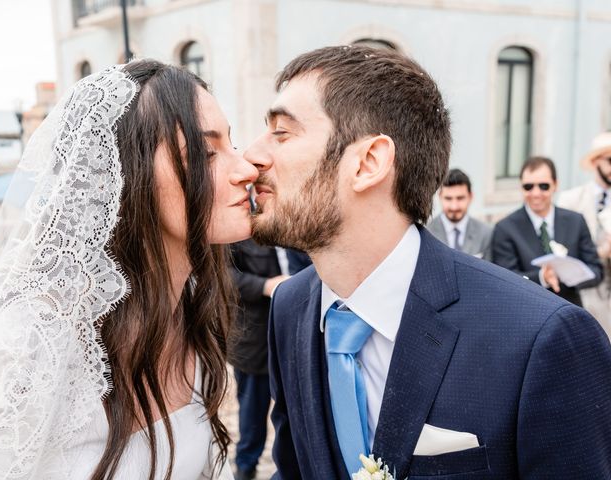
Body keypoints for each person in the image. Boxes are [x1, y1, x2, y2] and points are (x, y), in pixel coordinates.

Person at [244, 45, 611, 479]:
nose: (252, 155)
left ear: (368, 163)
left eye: (282, 133)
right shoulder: (290, 309)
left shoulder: (542, 340)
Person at [0, 59, 258, 479]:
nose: (246, 170)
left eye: (231, 144)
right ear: (123, 176)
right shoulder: (22, 349)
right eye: (206, 152)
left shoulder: (192, 311)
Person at [492, 156, 603, 307]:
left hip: (570, 310)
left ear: (555, 185)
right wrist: (541, 277)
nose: (536, 193)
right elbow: (504, 278)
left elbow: (596, 271)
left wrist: (572, 275)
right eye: (528, 187)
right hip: (527, 313)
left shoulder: (576, 221)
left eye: (543, 186)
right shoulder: (505, 228)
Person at [227, 240, 289, 480]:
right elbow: (223, 276)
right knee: (252, 411)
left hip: (296, 333)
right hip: (254, 338)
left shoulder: (301, 214)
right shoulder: (239, 225)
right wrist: (265, 286)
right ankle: (246, 466)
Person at [558, 132, 611, 335]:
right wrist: (601, 252)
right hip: (578, 299)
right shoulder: (571, 200)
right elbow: (562, 251)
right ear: (596, 161)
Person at [427, 168, 493, 260]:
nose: (454, 207)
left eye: (460, 198)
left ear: (470, 197)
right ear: (440, 197)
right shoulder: (426, 232)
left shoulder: (485, 233)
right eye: (448, 198)